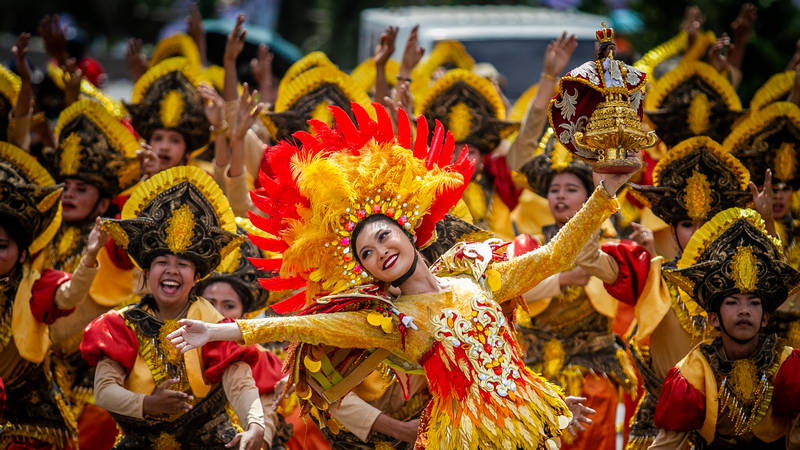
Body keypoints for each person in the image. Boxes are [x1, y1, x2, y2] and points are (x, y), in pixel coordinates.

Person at [168, 102, 635, 449]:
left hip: (527, 426)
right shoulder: (394, 320)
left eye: (384, 239)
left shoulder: (477, 278)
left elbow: (554, 257)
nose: (380, 252)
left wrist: (604, 193)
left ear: (409, 233)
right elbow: (301, 324)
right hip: (460, 439)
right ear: (366, 271)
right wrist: (219, 329)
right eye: (367, 253)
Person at [573, 136, 758, 450]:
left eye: (708, 222)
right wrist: (601, 195)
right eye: (687, 223)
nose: (698, 232)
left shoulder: (745, 280)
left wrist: (766, 221)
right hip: (662, 426)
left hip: (734, 423)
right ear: (672, 229)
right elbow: (588, 258)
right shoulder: (652, 274)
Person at [80, 166, 266, 449]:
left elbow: (239, 383)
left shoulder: (215, 323)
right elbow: (105, 392)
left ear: (196, 277)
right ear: (147, 271)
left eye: (183, 264)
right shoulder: (120, 324)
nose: (172, 271)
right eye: (162, 262)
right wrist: (148, 403)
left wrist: (255, 424)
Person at [515, 135, 637, 450]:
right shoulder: (529, 245)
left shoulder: (610, 245)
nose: (560, 197)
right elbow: (513, 292)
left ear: (587, 199)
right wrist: (564, 279)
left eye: (571, 190)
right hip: (536, 376)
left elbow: (624, 293)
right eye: (554, 190)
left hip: (592, 372)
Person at [651, 208, 800, 448]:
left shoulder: (786, 365)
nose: (744, 310)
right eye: (732, 302)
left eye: (754, 303)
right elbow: (667, 445)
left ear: (765, 318)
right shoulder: (695, 369)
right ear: (713, 319)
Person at [40, 98, 141, 449]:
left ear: (101, 204)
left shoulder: (108, 240)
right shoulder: (41, 234)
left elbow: (135, 231)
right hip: (38, 362)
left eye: (81, 190)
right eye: (65, 187)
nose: (69, 195)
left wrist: (147, 175)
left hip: (90, 370)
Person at [0, 143, 101, 448]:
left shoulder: (36, 285)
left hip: (28, 422)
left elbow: (69, 296)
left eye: (2, 246)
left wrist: (91, 257)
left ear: (22, 255)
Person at [195, 220, 295, 449]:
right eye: (210, 304)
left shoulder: (260, 359)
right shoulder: (170, 339)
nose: (218, 314)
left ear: (245, 315)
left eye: (228, 306)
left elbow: (266, 416)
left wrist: (258, 439)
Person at [126, 56, 211, 180]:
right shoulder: (130, 186)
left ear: (187, 151)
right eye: (158, 138)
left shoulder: (202, 183)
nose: (164, 147)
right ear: (147, 144)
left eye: (175, 140)